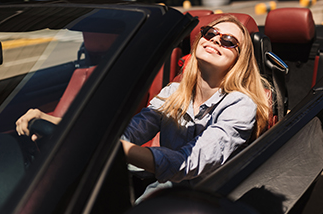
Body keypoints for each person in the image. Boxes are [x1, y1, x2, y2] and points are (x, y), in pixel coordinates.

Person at [16, 14, 271, 201]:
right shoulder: (174, 91)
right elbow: (128, 131)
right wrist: (55, 122)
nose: (215, 40)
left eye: (227, 41)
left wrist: (113, 146)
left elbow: (188, 163)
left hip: (212, 200)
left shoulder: (240, 104)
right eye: (209, 33)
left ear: (240, 59)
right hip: (167, 190)